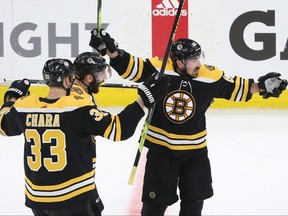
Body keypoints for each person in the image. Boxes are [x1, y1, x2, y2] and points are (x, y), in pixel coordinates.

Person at [89, 29, 288, 216]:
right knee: (153, 209)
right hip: (161, 153)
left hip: (195, 154)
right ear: (180, 62)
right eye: (193, 59)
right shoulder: (159, 69)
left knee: (193, 206)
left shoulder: (210, 76)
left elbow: (239, 87)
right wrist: (111, 51)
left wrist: (262, 86)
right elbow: (130, 66)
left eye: (199, 57)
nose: (199, 64)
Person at [0, 58, 170, 216]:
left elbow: (3, 125)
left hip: (37, 200)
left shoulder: (25, 107)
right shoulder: (79, 108)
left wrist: (11, 98)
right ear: (67, 80)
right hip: (72, 198)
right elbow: (120, 129)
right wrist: (144, 99)